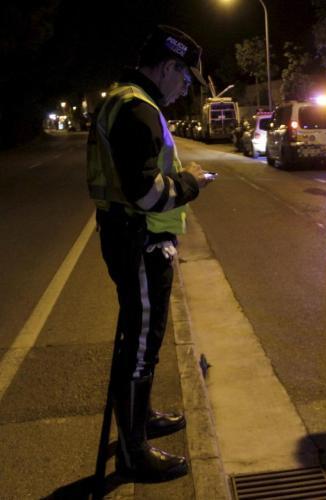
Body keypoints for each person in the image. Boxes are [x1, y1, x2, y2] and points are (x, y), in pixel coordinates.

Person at [87, 25, 212, 482]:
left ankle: (140, 421)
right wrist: (191, 181)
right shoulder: (138, 110)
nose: (185, 91)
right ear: (168, 66)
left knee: (141, 338)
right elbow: (146, 192)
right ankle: (134, 453)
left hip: (131, 237)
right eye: (186, 79)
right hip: (140, 241)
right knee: (140, 345)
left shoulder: (125, 100)